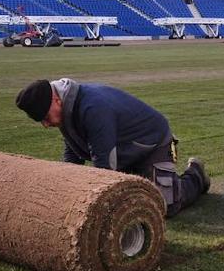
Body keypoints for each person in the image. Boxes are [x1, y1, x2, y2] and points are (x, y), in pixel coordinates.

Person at [15, 78, 208, 217]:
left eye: (45, 118)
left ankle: (196, 174)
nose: (46, 125)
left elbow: (104, 166)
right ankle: (138, 174)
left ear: (56, 100)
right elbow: (72, 155)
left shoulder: (93, 107)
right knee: (131, 201)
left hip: (152, 144)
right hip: (124, 151)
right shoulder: (65, 109)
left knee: (166, 205)